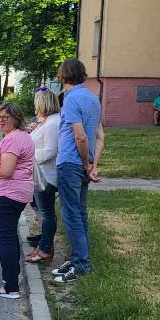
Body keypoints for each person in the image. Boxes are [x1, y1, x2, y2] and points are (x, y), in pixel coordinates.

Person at [52, 59, 105, 284]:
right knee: (80, 212)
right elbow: (100, 136)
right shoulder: (93, 98)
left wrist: (85, 164)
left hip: (71, 163)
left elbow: (81, 136)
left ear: (63, 76)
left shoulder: (72, 99)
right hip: (83, 164)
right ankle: (77, 259)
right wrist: (94, 164)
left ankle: (82, 264)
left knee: (71, 214)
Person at [0, 102, 35, 300]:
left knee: (6, 239)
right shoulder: (21, 136)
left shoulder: (13, 140)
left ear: (16, 119)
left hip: (8, 194)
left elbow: (6, 171)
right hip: (16, 193)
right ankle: (12, 280)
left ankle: (10, 287)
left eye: (6, 118)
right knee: (10, 237)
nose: (1, 121)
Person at [24, 88, 61, 265]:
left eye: (36, 101)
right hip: (39, 174)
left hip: (46, 176)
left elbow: (50, 152)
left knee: (47, 214)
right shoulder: (46, 122)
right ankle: (43, 246)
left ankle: (46, 249)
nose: (34, 105)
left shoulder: (53, 124)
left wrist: (27, 153)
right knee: (44, 213)